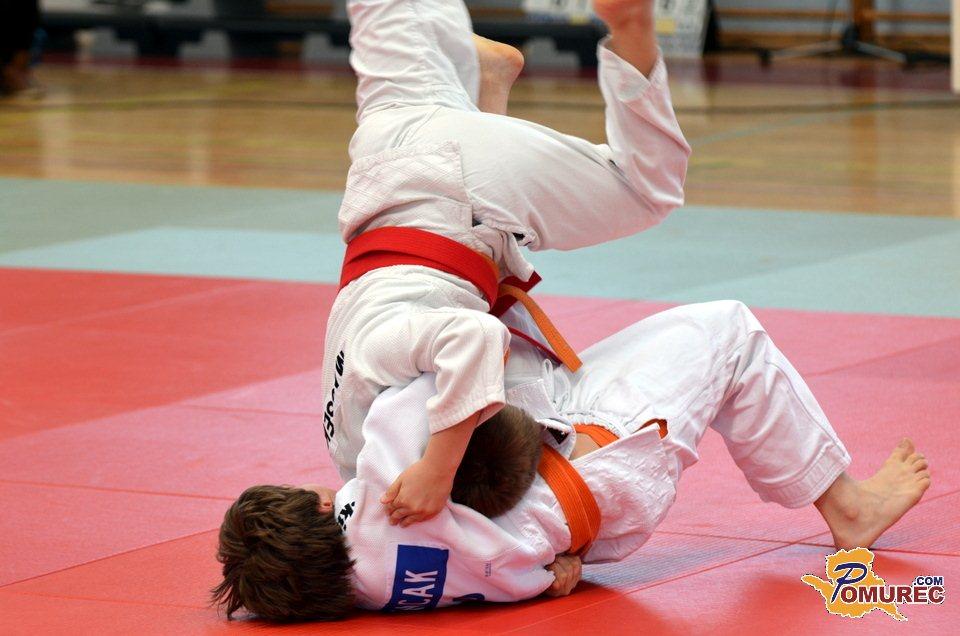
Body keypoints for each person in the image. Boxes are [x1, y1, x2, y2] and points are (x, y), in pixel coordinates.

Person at [212, 301, 931, 620]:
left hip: (593, 524)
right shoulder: (374, 496)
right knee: (729, 331)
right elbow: (436, 383)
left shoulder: (382, 592)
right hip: (601, 459)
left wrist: (558, 577)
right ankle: (850, 510)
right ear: (316, 506)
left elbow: (530, 580)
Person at [321, 0, 691, 531]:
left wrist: (438, 471)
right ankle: (484, 85)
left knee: (647, 191)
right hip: (385, 147)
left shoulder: (380, 468)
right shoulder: (344, 439)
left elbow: (475, 339)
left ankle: (630, 29)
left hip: (460, 191)